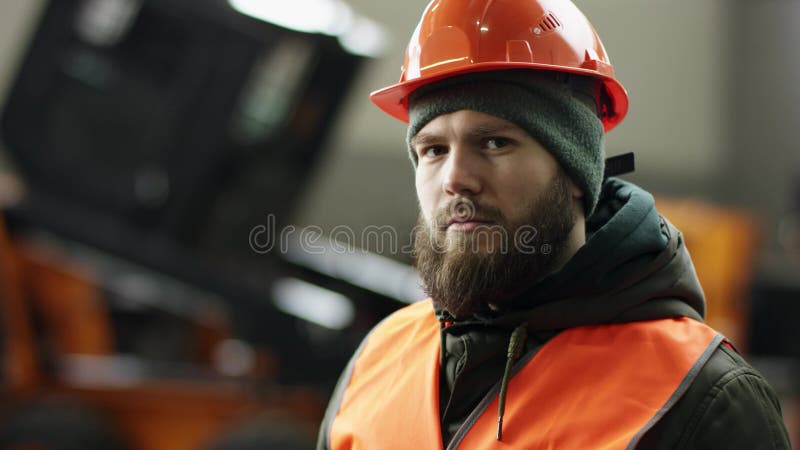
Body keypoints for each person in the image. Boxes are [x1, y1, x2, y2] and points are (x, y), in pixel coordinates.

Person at [317, 0, 792, 448]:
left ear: (576, 171)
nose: (456, 179)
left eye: (495, 143)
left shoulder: (700, 397)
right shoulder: (376, 360)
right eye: (434, 150)